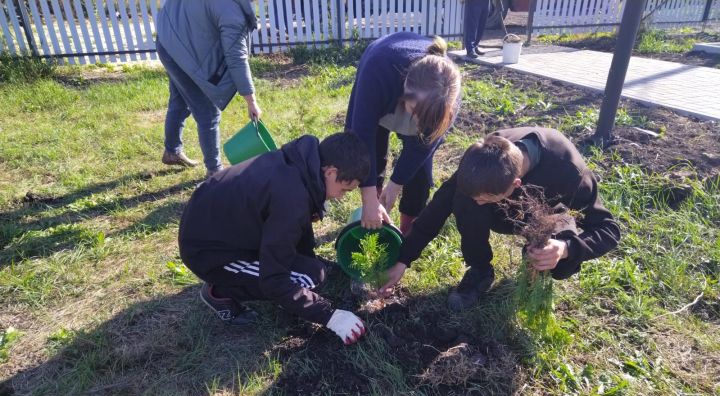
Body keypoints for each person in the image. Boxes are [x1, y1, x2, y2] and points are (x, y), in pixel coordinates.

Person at [378, 127, 621, 310]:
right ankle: (480, 271)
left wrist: (565, 248)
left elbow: (609, 229)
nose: (479, 202)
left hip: (547, 215)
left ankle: (541, 264)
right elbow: (438, 207)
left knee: (557, 254)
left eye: (486, 198)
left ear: (516, 184)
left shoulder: (569, 172)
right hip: (506, 211)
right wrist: (404, 259)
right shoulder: (481, 158)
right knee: (464, 199)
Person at [178, 132, 371, 345]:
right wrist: (329, 316)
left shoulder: (297, 164)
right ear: (331, 172)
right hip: (209, 253)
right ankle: (219, 291)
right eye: (344, 189)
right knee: (307, 278)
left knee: (312, 270)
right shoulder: (292, 201)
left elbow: (294, 229)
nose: (340, 197)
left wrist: (308, 259)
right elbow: (274, 280)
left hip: (220, 228)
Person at [345, 32, 462, 236]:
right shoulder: (378, 70)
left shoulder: (447, 95)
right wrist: (369, 199)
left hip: (422, 98)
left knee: (419, 173)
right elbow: (362, 136)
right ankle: (376, 210)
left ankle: (406, 230)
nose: (416, 123)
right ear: (406, 87)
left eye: (423, 119)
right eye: (414, 112)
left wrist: (396, 184)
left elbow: (421, 149)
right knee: (374, 152)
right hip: (382, 68)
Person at [155, 0, 262, 179]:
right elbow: (236, 57)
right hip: (177, 44)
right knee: (208, 112)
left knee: (180, 100)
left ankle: (172, 151)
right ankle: (215, 171)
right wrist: (251, 101)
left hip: (167, 39)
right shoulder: (232, 12)